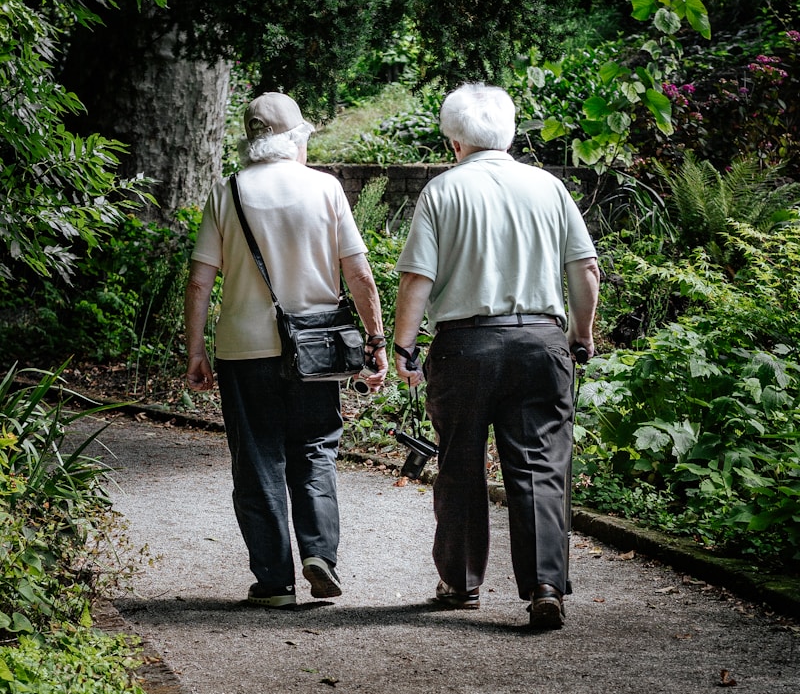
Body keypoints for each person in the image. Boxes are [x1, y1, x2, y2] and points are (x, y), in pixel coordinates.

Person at [393, 82, 599, 630]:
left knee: (459, 461)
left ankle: (460, 584)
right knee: (539, 466)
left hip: (465, 346)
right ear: (508, 133)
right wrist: (582, 334)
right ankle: (545, 586)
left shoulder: (443, 191)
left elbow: (418, 278)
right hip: (540, 340)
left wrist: (404, 346)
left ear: (454, 140)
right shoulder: (549, 187)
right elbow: (584, 269)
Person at [185, 91, 388, 608]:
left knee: (256, 460)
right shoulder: (326, 188)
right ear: (296, 137)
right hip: (317, 349)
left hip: (243, 350)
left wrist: (195, 350)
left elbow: (199, 282)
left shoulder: (226, 192)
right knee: (315, 449)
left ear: (251, 140)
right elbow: (359, 273)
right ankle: (320, 554)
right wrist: (376, 340)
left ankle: (274, 581)